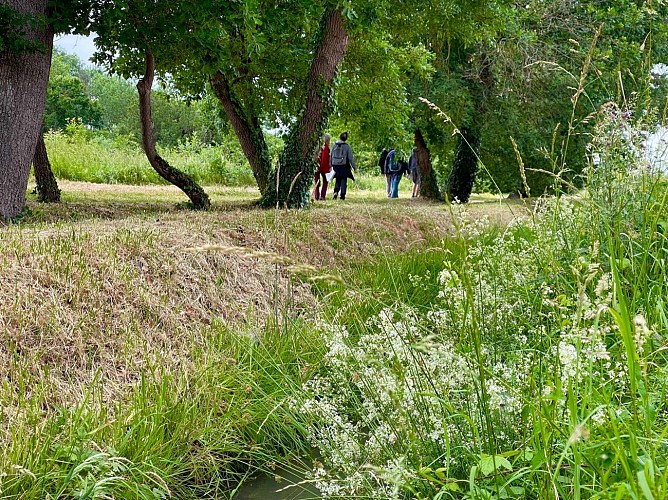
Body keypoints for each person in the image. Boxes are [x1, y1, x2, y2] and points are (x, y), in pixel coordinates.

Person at [330, 131, 356, 200]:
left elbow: (331, 155)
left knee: (338, 179)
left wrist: (330, 165)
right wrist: (354, 168)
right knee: (343, 180)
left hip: (335, 165)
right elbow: (350, 158)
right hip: (344, 165)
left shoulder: (334, 145)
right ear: (346, 139)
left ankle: (335, 192)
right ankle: (342, 195)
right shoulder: (347, 147)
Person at [313, 134, 331, 200]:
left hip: (316, 166)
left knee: (316, 181)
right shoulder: (325, 147)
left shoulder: (317, 146)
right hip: (323, 167)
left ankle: (316, 196)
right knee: (325, 181)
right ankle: (322, 196)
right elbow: (324, 158)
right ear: (327, 140)